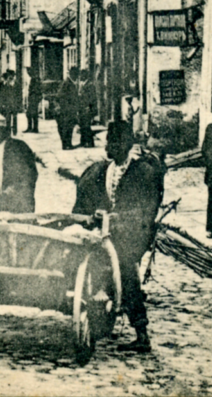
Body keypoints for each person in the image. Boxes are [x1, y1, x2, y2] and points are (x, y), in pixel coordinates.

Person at [73, 121, 164, 353]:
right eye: (108, 142)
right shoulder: (102, 171)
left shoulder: (143, 173)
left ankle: (141, 333)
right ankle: (97, 309)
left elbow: (147, 211)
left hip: (132, 235)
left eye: (113, 143)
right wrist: (92, 216)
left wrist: (119, 217)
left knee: (125, 270)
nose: (107, 147)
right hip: (104, 232)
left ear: (126, 145)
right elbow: (86, 203)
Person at [55, 68, 79, 150]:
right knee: (66, 127)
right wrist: (65, 107)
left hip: (69, 110)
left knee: (69, 127)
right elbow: (60, 96)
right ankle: (66, 145)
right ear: (72, 74)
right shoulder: (67, 83)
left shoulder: (70, 83)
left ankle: (68, 144)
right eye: (76, 74)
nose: (77, 77)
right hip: (66, 110)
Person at [0, 70, 21, 136]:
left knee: (15, 118)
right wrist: (1, 103)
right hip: (7, 104)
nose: (10, 77)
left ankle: (15, 131)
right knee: (8, 118)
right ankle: (8, 131)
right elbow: (1, 94)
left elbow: (19, 95)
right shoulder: (5, 84)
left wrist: (19, 104)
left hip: (14, 104)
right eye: (9, 76)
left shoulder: (17, 84)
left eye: (11, 76)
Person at [77, 68, 97, 148]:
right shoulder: (82, 84)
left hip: (87, 108)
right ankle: (83, 141)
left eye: (82, 75)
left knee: (86, 125)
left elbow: (92, 98)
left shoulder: (90, 85)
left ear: (85, 76)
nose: (80, 77)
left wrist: (89, 107)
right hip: (82, 108)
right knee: (82, 125)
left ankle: (90, 142)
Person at [24, 66, 43, 134]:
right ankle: (33, 128)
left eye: (29, 72)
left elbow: (37, 89)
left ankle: (33, 128)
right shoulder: (34, 78)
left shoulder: (35, 79)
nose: (28, 73)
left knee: (30, 114)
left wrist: (33, 93)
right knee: (32, 114)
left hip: (34, 98)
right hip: (33, 98)